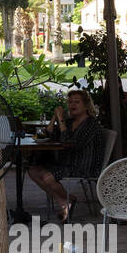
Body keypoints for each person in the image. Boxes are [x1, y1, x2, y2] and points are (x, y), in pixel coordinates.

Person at [26, 89, 104, 220]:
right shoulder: (70, 122)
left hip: (84, 166)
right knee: (33, 171)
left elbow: (71, 143)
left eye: (77, 102)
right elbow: (48, 136)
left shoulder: (91, 124)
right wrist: (54, 118)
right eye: (70, 102)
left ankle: (68, 200)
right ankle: (64, 201)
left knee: (48, 177)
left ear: (86, 105)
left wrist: (61, 119)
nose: (72, 105)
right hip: (67, 163)